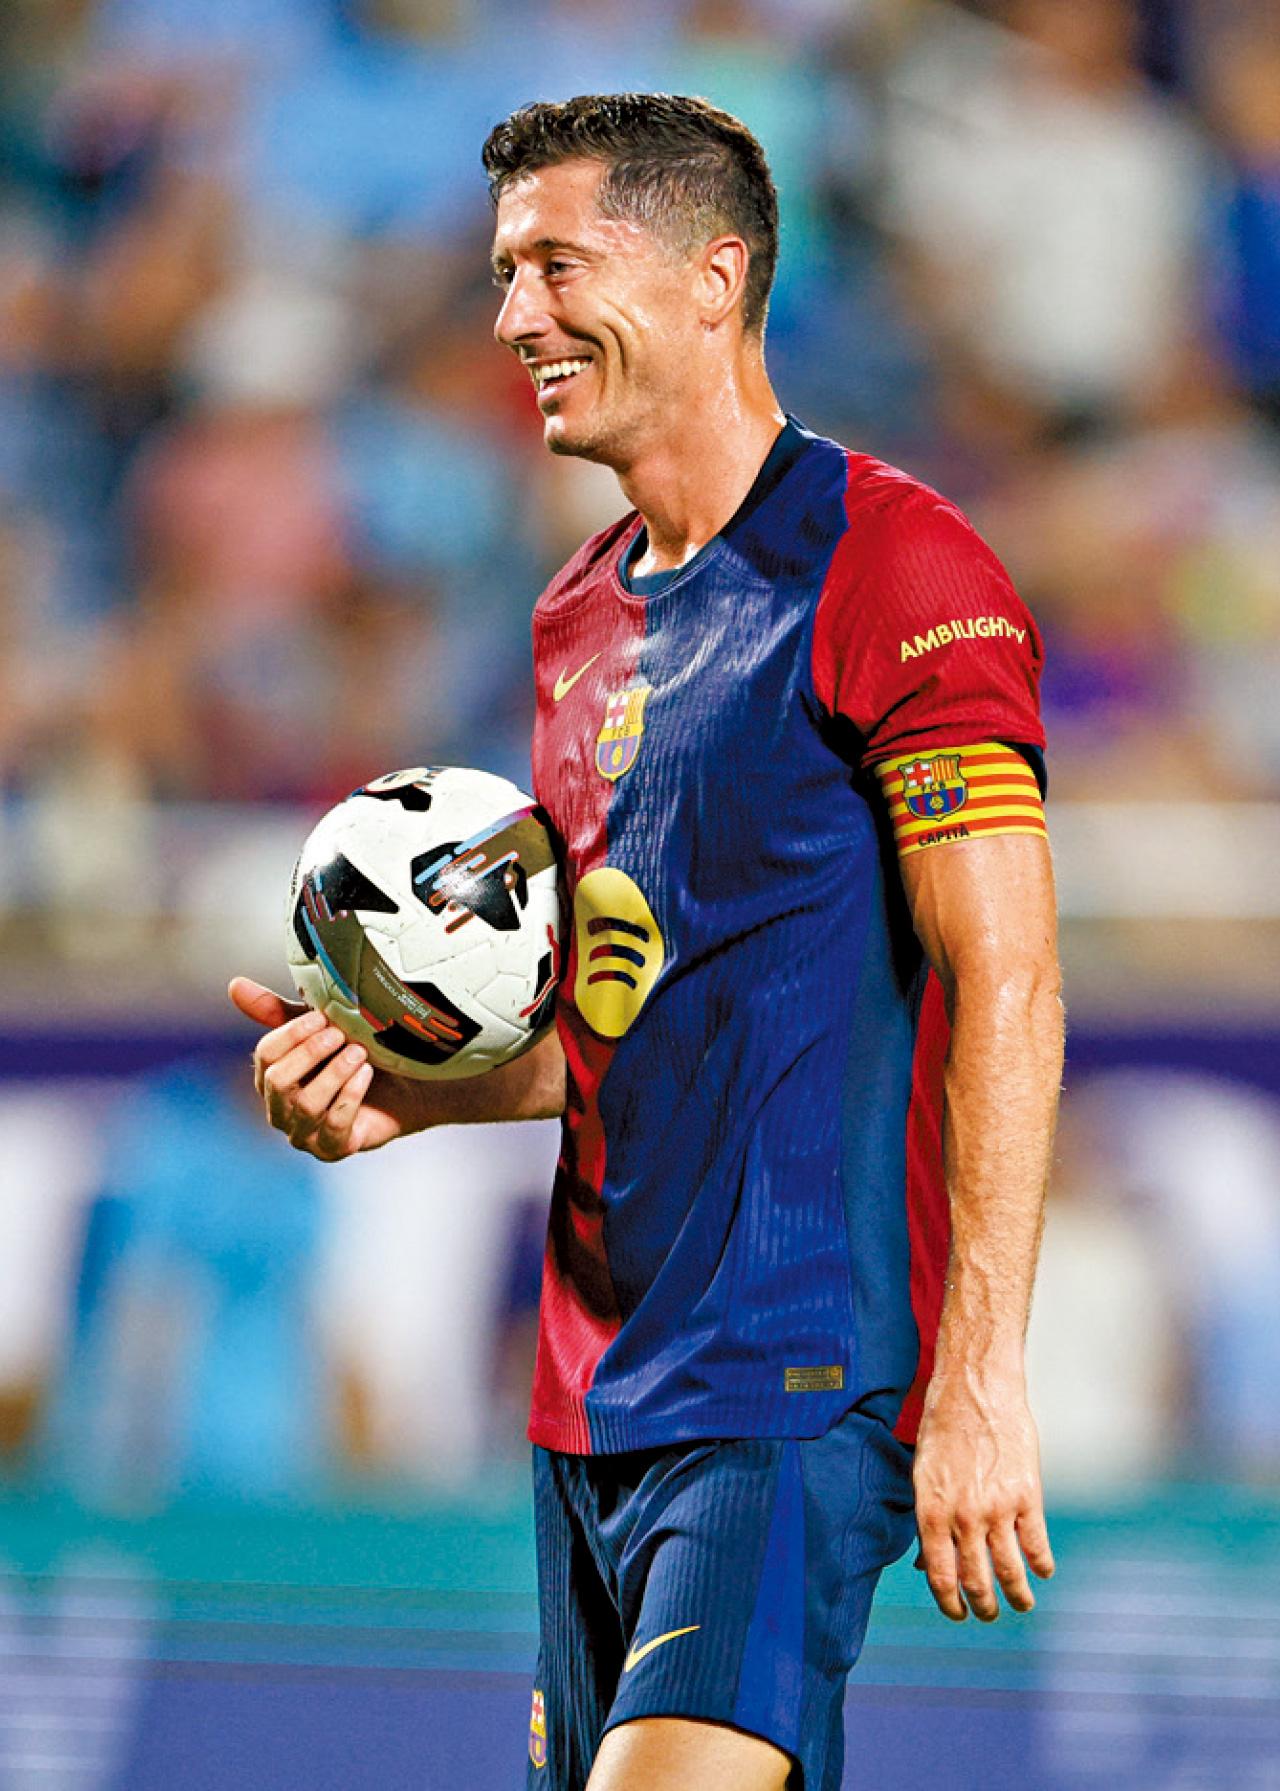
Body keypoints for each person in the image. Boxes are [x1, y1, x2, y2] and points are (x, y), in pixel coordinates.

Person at [230, 93, 1063, 1791]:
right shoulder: (573, 621)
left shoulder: (896, 566)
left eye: (556, 266)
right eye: (503, 273)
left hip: (792, 1382)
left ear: (713, 278)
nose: (512, 317)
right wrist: (411, 1095)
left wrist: (981, 1377)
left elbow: (1010, 978)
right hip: (587, 1398)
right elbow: (634, 1027)